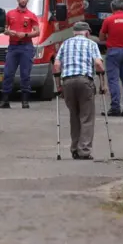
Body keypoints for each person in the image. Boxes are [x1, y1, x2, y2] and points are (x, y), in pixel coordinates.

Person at [52, 22, 105, 160]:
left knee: (74, 116)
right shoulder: (91, 44)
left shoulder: (65, 44)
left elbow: (56, 65)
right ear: (87, 33)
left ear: (74, 33)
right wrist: (102, 84)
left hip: (68, 82)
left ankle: (74, 148)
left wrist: (58, 86)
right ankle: (84, 150)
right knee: (86, 117)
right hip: (85, 81)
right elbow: (98, 64)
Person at [1, 0, 38, 109]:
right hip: (13, 46)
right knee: (8, 73)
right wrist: (8, 32)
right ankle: (5, 100)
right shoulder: (10, 14)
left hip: (26, 46)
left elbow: (37, 32)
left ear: (28, 0)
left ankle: (25, 100)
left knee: (25, 74)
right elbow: (5, 29)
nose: (23, 0)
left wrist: (26, 35)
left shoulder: (31, 15)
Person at [98, 0, 123, 117]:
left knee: (113, 80)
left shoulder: (109, 20)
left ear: (112, 8)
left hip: (113, 51)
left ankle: (115, 107)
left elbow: (101, 37)